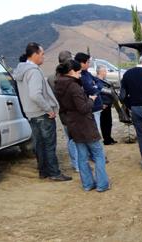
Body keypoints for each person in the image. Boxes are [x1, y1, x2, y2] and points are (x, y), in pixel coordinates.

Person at [13, 42, 72, 181]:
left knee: (39, 144)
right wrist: (48, 109)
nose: (43, 56)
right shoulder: (33, 71)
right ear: (34, 55)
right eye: (42, 54)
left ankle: (43, 171)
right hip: (42, 113)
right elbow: (35, 94)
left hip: (31, 114)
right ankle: (54, 173)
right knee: (49, 145)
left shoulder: (21, 70)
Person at [54, 60, 109, 192]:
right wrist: (91, 99)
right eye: (79, 72)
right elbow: (83, 108)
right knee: (98, 154)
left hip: (73, 125)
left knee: (82, 157)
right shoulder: (74, 87)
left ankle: (87, 184)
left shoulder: (59, 85)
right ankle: (102, 184)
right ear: (72, 71)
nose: (80, 75)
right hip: (85, 125)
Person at [49, 50, 79, 172]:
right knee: (74, 139)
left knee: (70, 138)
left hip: (62, 113)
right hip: (72, 112)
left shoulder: (51, 78)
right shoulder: (69, 77)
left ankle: (76, 163)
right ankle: (78, 164)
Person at [74, 52, 104, 133]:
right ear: (81, 63)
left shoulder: (87, 73)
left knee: (97, 131)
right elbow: (91, 90)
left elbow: (99, 81)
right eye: (87, 62)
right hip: (91, 108)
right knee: (94, 132)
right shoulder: (81, 76)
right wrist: (96, 87)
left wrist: (96, 86)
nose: (89, 64)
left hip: (96, 106)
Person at [95, 65, 118, 145]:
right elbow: (99, 93)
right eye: (104, 71)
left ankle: (109, 137)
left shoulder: (104, 81)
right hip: (103, 106)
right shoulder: (97, 81)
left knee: (109, 123)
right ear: (100, 72)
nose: (106, 72)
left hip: (107, 105)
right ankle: (106, 140)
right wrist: (101, 104)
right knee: (104, 123)